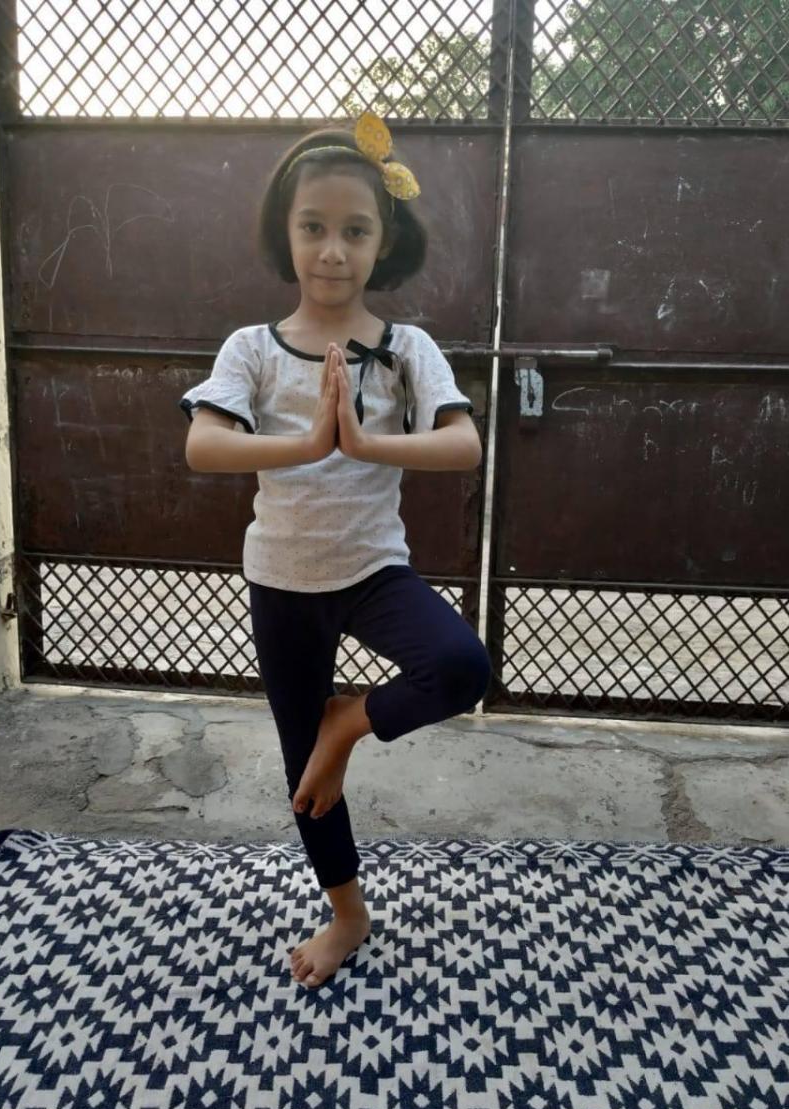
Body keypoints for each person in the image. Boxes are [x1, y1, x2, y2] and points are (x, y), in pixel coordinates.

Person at [178, 112, 492, 989]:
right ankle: (347, 914)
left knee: (461, 666)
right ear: (285, 233)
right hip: (283, 581)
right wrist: (309, 442)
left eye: (355, 231)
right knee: (304, 775)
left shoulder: (404, 350)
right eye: (313, 226)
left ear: (383, 241)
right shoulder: (252, 348)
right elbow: (203, 445)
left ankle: (345, 721)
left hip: (373, 571)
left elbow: (463, 444)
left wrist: (363, 442)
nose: (332, 250)